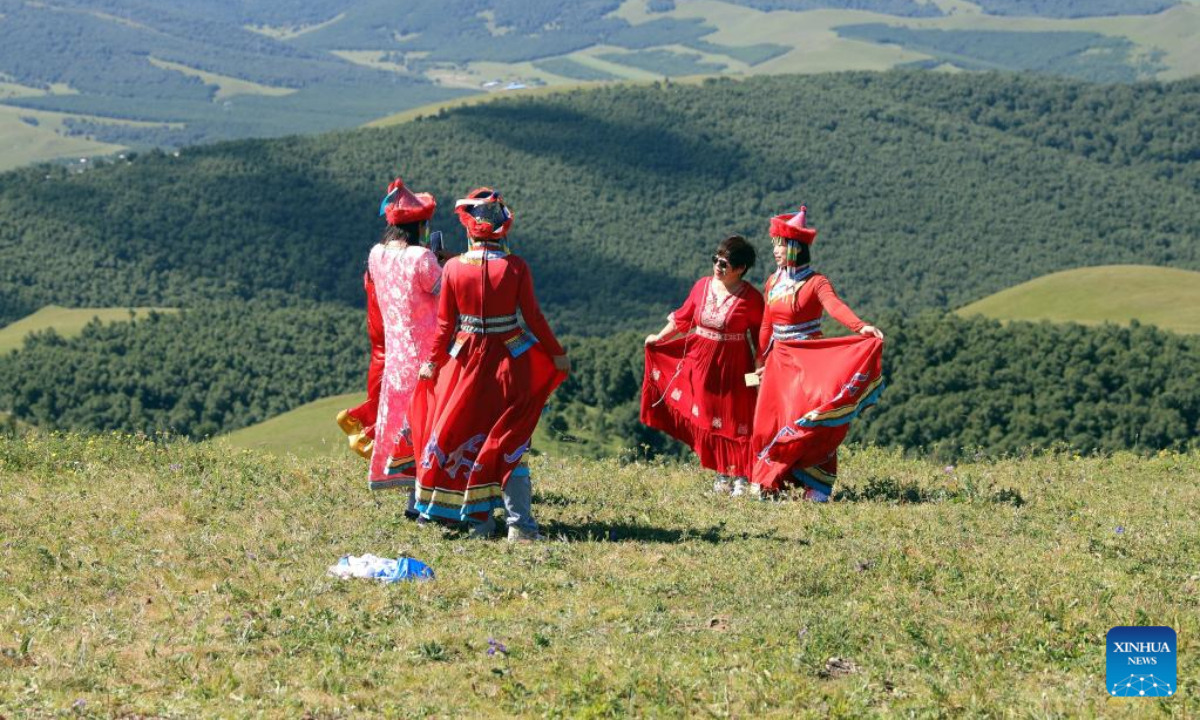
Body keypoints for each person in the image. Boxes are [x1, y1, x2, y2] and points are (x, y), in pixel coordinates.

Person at [408, 188, 569, 541]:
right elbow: (534, 318)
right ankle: (520, 525)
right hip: (509, 364)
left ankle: (477, 521)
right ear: (503, 231)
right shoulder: (516, 267)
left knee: (463, 437)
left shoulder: (451, 267)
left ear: (469, 230)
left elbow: (444, 327)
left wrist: (432, 363)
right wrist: (556, 353)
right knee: (510, 441)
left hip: (464, 363)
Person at [751, 206, 885, 501]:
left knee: (810, 419)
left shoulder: (816, 282)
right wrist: (760, 360)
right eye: (774, 245)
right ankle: (772, 481)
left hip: (809, 361)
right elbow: (766, 324)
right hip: (779, 363)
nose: (775, 251)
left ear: (795, 248)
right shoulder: (772, 282)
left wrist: (860, 327)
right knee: (774, 421)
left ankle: (817, 486)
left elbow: (834, 306)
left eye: (780, 245)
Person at [336, 178, 442, 504]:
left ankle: (412, 498)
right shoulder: (422, 259)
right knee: (433, 424)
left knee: (403, 424)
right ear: (419, 225)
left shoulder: (376, 255)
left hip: (396, 358)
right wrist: (445, 260)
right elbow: (443, 289)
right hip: (427, 356)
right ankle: (431, 498)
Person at [641, 235, 765, 494]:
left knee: (738, 418)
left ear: (741, 268)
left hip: (735, 366)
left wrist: (760, 367)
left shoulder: (752, 299)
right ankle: (722, 474)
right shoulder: (702, 286)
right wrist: (660, 338)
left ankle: (742, 476)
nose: (718, 267)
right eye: (716, 260)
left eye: (725, 263)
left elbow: (760, 338)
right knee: (711, 418)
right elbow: (683, 318)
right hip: (701, 364)